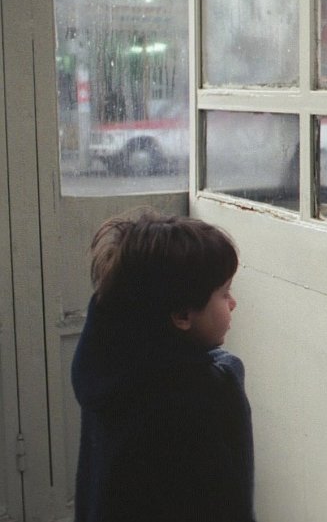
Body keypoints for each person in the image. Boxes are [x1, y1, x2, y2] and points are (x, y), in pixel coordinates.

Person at [72, 210, 255, 522]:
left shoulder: (104, 369)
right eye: (224, 293)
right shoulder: (205, 394)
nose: (233, 303)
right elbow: (228, 504)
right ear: (182, 316)